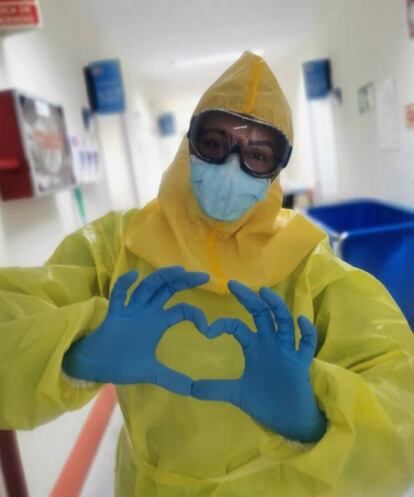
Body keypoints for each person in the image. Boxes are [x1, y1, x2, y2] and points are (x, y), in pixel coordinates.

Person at [1, 51, 414, 497]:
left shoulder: (309, 266)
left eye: (257, 154)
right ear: (189, 142)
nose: (232, 167)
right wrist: (78, 351)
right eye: (215, 144)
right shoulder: (119, 244)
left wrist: (310, 418)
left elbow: (401, 396)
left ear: (276, 170)